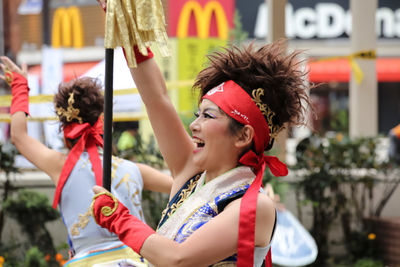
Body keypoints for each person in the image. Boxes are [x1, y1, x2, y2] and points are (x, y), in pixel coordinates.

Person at [91, 7, 311, 262]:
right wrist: (128, 24)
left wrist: (120, 219)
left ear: (243, 136)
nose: (194, 125)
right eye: (198, 114)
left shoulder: (255, 206)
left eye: (208, 116)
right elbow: (156, 98)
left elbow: (179, 260)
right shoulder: (190, 170)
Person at [0, 56, 173, 266]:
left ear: (64, 130)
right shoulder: (134, 169)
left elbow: (19, 136)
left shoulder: (60, 166)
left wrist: (20, 85)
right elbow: (180, 186)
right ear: (103, 123)